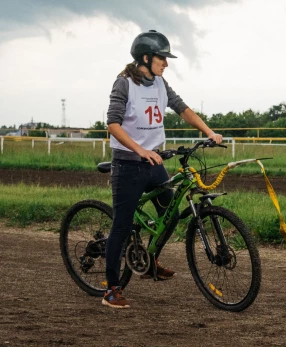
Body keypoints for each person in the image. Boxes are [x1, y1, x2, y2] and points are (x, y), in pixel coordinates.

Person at [103, 30, 223, 309]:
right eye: (162, 58)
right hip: (129, 164)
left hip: (154, 163)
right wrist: (140, 150)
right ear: (145, 58)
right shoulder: (123, 84)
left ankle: (150, 258)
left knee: (170, 216)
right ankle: (111, 289)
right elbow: (112, 125)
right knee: (121, 226)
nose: (166, 63)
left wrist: (209, 131)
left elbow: (182, 109)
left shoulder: (160, 83)